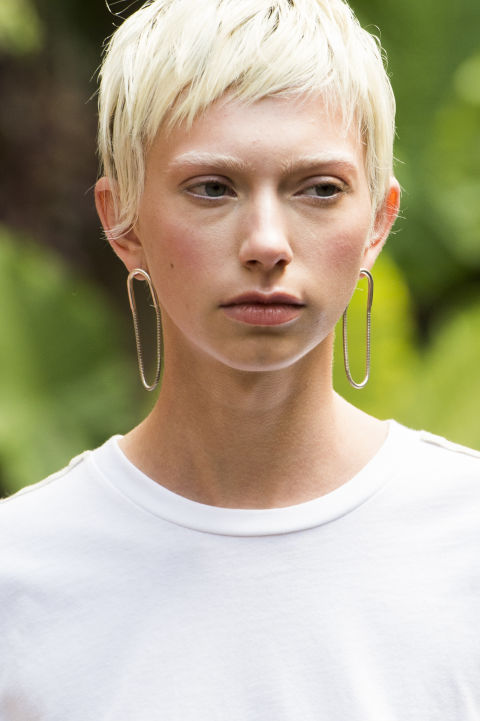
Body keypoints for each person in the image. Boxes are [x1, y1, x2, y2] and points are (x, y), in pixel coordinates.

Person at [1, 0, 479, 718]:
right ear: (121, 219)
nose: (266, 242)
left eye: (318, 189)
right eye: (212, 188)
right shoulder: (22, 575)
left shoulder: (465, 539)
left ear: (378, 220)